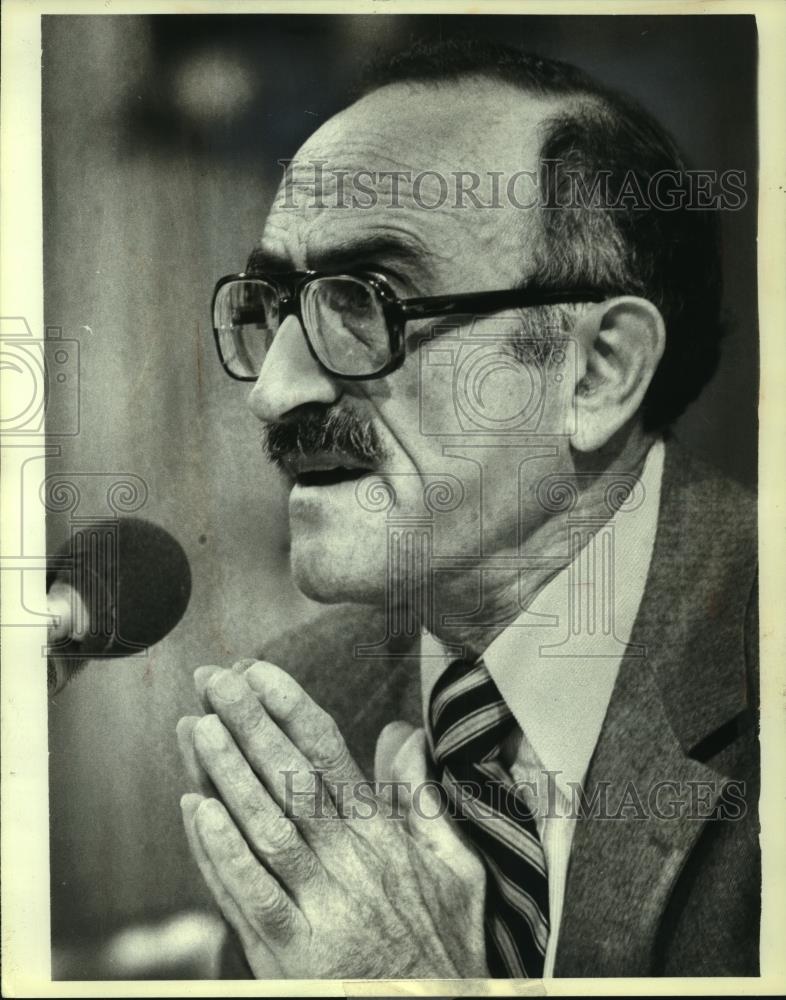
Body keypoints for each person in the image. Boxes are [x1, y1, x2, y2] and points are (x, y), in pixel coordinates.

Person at [176, 39, 759, 978]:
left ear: (598, 370)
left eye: (367, 301)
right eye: (271, 305)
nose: (276, 392)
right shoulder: (303, 711)